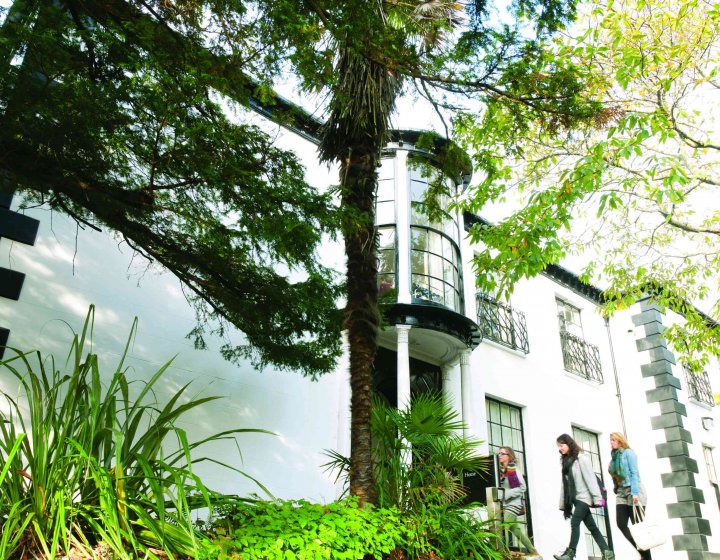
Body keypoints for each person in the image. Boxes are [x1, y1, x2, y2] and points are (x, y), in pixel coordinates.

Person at [554, 433, 614, 560]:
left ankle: (570, 553)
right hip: (575, 499)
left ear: (569, 443)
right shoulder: (565, 461)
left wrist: (597, 498)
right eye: (558, 446)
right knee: (591, 526)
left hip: (584, 497)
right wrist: (563, 503)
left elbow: (591, 479)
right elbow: (563, 485)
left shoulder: (582, 458)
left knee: (575, 522)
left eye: (561, 445)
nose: (560, 448)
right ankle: (608, 553)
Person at [608, 432, 651, 560]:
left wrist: (635, 493)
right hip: (621, 492)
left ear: (620, 441)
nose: (611, 442)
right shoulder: (613, 457)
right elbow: (616, 476)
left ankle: (647, 557)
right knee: (621, 523)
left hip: (634, 490)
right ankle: (642, 551)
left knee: (639, 528)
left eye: (613, 440)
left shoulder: (629, 453)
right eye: (611, 440)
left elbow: (634, 474)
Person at [498, 446, 542, 558]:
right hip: (504, 504)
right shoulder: (500, 471)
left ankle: (502, 550)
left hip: (513, 504)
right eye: (499, 453)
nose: (500, 456)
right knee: (515, 529)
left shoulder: (513, 470)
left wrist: (506, 494)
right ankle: (532, 550)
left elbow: (523, 487)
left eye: (503, 454)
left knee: (503, 525)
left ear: (509, 456)